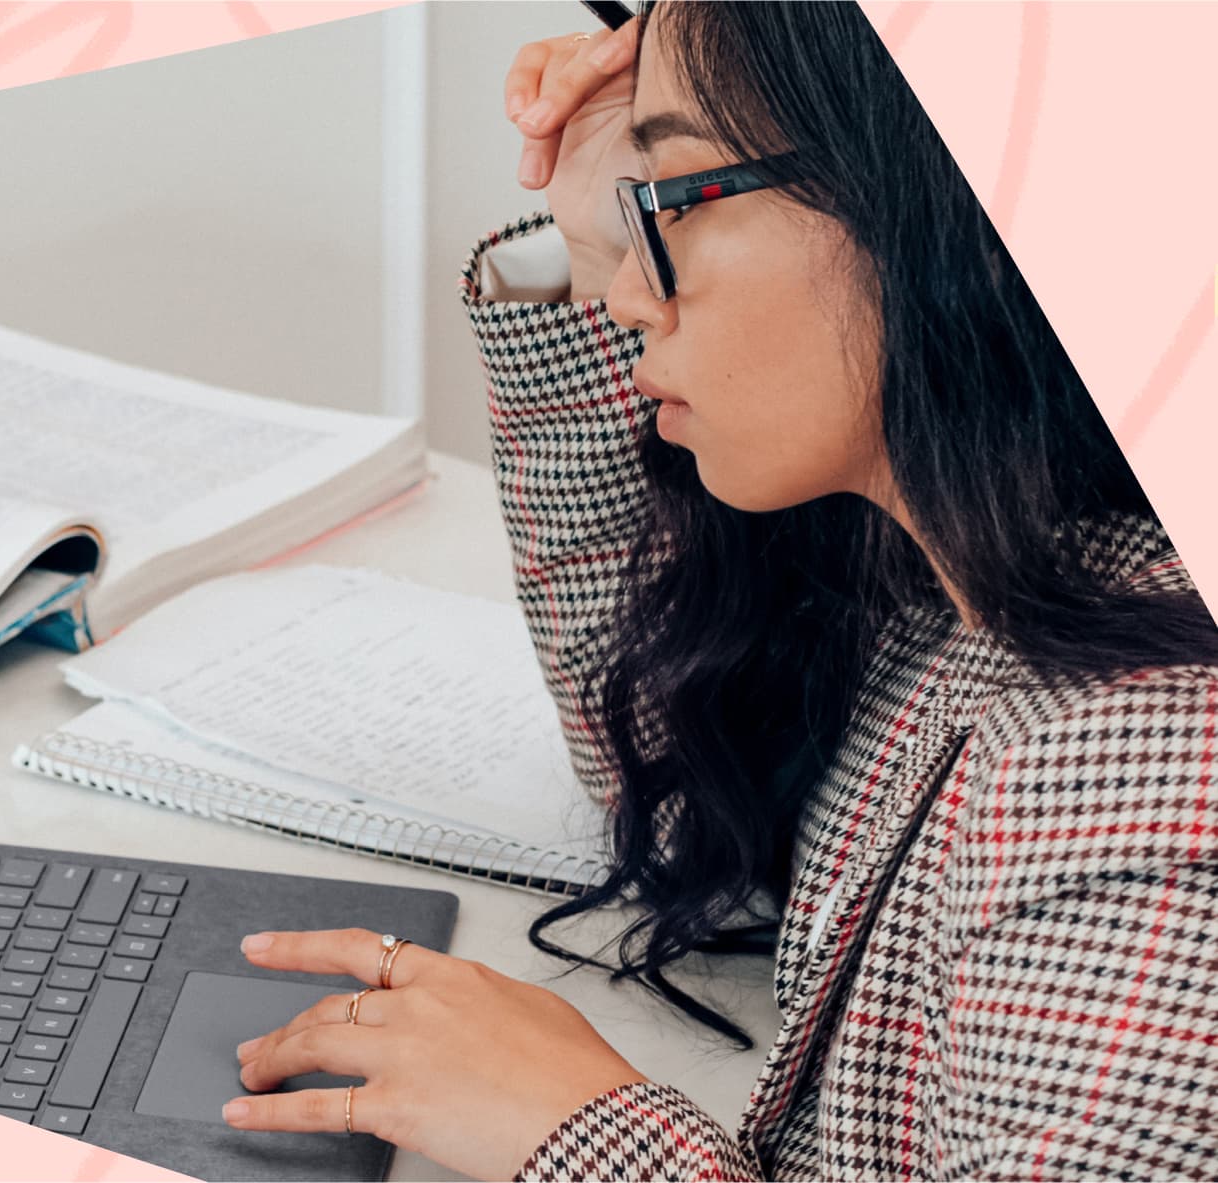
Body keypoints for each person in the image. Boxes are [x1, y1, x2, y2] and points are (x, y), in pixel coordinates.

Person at [220, 4, 1218, 1179]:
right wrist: (598, 232)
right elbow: (681, 781)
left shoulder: (1145, 753)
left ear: (936, 204)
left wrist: (577, 1131)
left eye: (672, 191)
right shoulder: (970, 588)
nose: (631, 302)